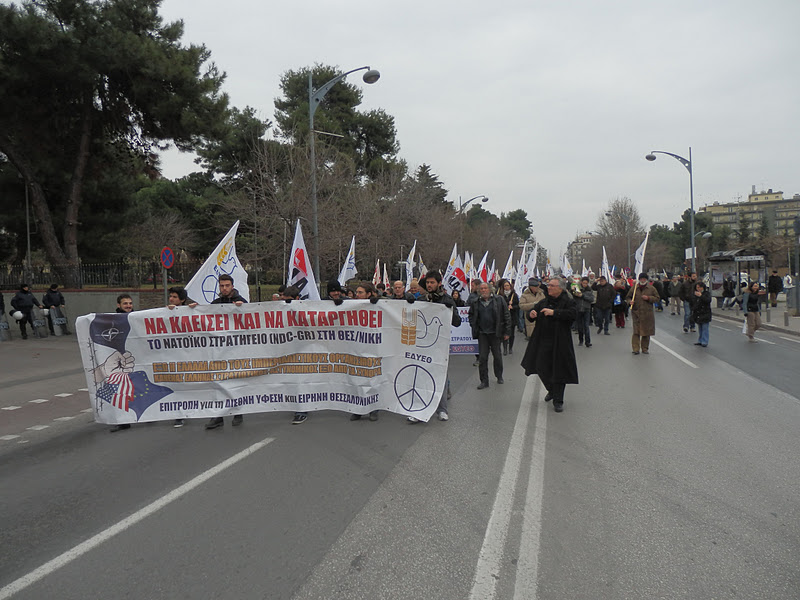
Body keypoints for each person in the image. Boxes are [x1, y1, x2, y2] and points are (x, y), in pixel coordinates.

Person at [408, 270, 461, 422]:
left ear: (439, 283)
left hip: (440, 345)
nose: (429, 285)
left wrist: (450, 309)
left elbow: (457, 322)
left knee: (440, 376)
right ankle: (420, 410)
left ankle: (442, 409)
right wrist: (408, 301)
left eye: (432, 282)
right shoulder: (423, 299)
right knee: (421, 376)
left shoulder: (447, 299)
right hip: (423, 344)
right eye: (428, 283)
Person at [520, 278, 578, 413]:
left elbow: (573, 314)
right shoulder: (544, 301)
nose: (549, 287)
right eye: (548, 285)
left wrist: (554, 313)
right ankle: (551, 390)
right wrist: (531, 314)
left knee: (559, 370)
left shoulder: (568, 301)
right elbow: (531, 314)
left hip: (560, 341)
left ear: (560, 288)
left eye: (552, 286)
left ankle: (558, 400)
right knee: (540, 366)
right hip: (542, 340)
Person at [205, 274, 246, 430]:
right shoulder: (215, 304)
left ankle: (238, 412)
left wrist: (243, 308)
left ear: (232, 286)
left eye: (227, 285)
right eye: (221, 286)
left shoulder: (242, 302)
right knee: (218, 383)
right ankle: (218, 417)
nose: (224, 288)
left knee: (235, 382)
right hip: (219, 351)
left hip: (236, 350)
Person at [468, 281, 511, 390]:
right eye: (481, 289)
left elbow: (506, 315)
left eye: (485, 288)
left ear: (490, 289)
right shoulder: (475, 302)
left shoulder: (499, 300)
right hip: (482, 334)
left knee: (497, 356)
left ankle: (499, 375)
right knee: (482, 358)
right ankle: (484, 381)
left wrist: (507, 332)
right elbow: (471, 315)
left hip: (495, 333)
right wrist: (474, 325)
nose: (483, 290)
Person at [351, 282, 381, 422]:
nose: (357, 295)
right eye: (356, 292)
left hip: (373, 348)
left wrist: (377, 302)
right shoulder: (350, 305)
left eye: (360, 292)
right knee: (357, 378)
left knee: (372, 378)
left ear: (369, 294)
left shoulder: (378, 305)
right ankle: (358, 409)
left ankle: (373, 408)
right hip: (356, 348)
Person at [108, 294, 135, 432]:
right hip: (120, 361)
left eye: (130, 303)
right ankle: (124, 421)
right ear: (119, 305)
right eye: (125, 304)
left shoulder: (137, 317)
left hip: (137, 358)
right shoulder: (111, 319)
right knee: (120, 389)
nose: (129, 306)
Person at [626, 273, 658, 355]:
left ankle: (645, 348)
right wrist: (630, 302)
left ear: (646, 280)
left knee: (646, 332)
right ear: (639, 279)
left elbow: (657, 298)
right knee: (636, 331)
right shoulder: (634, 288)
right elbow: (628, 297)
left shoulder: (651, 288)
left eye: (644, 279)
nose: (642, 280)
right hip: (636, 312)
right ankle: (635, 348)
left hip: (647, 313)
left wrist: (648, 298)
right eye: (641, 279)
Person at [497, 278, 519, 355]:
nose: (507, 287)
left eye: (508, 285)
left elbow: (518, 305)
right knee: (504, 333)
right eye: (505, 286)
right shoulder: (500, 295)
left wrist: (513, 307)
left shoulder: (514, 295)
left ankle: (510, 348)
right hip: (503, 317)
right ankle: (505, 348)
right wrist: (507, 304)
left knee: (511, 333)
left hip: (512, 317)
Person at [572, 276, 594, 347]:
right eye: (583, 283)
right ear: (581, 282)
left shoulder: (589, 290)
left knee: (586, 326)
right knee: (580, 326)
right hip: (578, 309)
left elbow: (591, 299)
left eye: (586, 283)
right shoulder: (577, 288)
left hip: (586, 309)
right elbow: (572, 297)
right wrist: (573, 292)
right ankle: (581, 340)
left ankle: (587, 341)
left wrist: (583, 296)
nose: (585, 284)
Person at [690, 281, 712, 347]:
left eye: (699, 287)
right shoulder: (695, 294)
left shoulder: (706, 293)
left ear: (703, 288)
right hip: (698, 313)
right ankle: (700, 340)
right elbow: (692, 302)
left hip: (705, 313)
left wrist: (701, 296)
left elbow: (708, 300)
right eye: (697, 287)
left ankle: (705, 341)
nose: (698, 289)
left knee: (705, 327)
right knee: (700, 327)